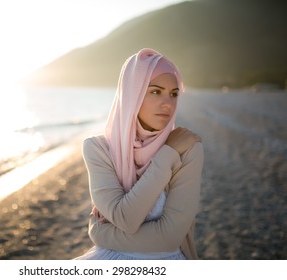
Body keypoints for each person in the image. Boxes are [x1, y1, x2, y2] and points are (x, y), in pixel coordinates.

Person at [75, 48, 204, 260]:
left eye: (173, 94)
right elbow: (127, 219)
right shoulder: (97, 149)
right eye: (155, 91)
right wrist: (169, 154)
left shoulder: (187, 149)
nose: (168, 103)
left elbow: (168, 239)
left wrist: (99, 232)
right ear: (132, 94)